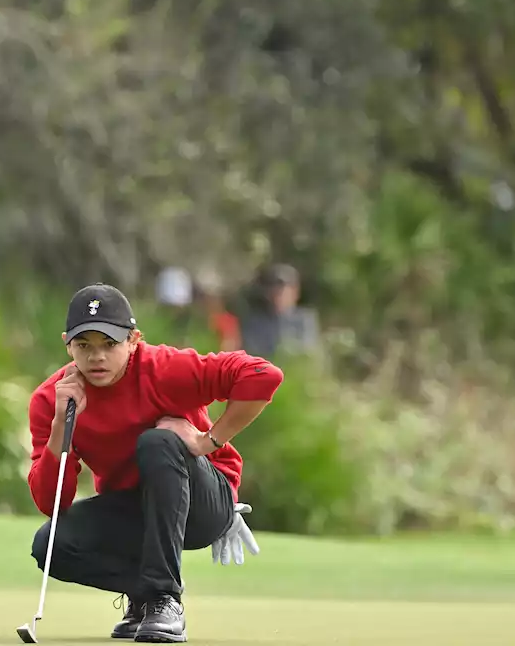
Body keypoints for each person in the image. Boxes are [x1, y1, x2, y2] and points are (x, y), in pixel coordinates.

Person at [27, 283, 282, 642]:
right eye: (84, 346)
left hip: (203, 504)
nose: (96, 357)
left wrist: (206, 441)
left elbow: (263, 376)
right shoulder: (53, 399)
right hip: (137, 508)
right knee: (51, 544)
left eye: (110, 344)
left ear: (133, 340)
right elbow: (50, 501)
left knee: (159, 441)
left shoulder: (165, 368)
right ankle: (145, 596)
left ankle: (164, 599)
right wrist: (60, 426)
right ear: (68, 343)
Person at [237, 263, 318, 358]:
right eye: (274, 289)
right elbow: (251, 351)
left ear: (295, 292)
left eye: (283, 290)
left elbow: (306, 351)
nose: (278, 294)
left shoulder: (304, 319)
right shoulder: (254, 321)